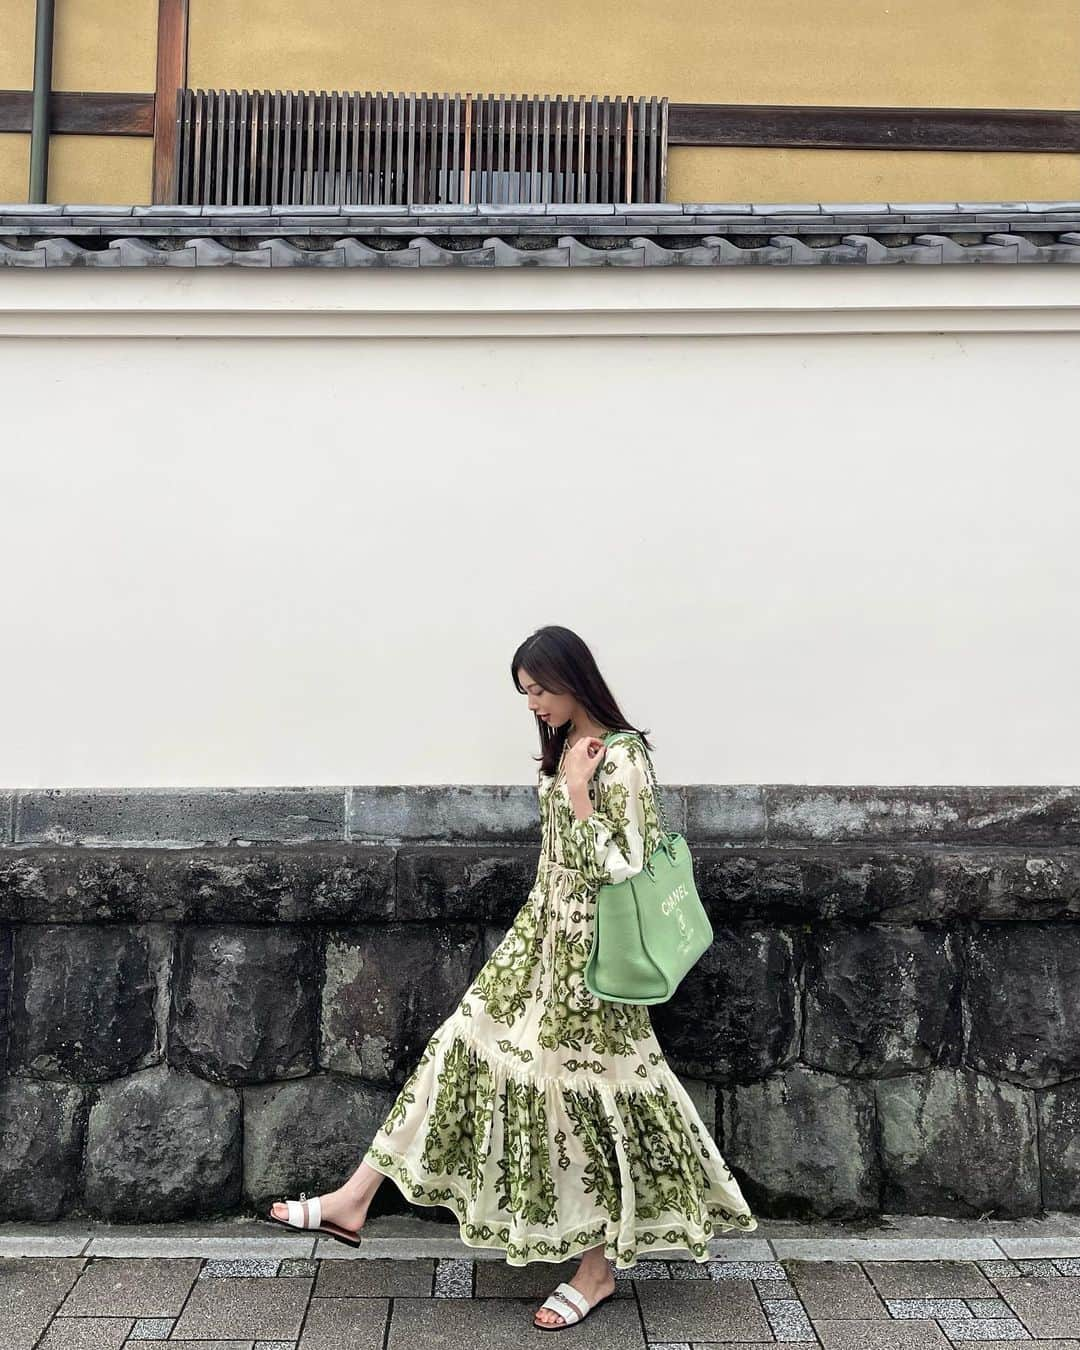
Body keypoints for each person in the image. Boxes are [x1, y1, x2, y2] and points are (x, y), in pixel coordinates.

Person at [269, 624, 757, 1329]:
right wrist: (533, 927)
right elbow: (553, 864)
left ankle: (596, 1271)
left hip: (593, 965)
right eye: (523, 693)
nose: (532, 704)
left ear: (573, 679)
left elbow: (619, 862)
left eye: (540, 689)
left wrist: (581, 788)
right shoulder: (566, 751)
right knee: (456, 1049)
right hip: (541, 945)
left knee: (579, 1099)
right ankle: (356, 1197)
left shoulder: (621, 758)